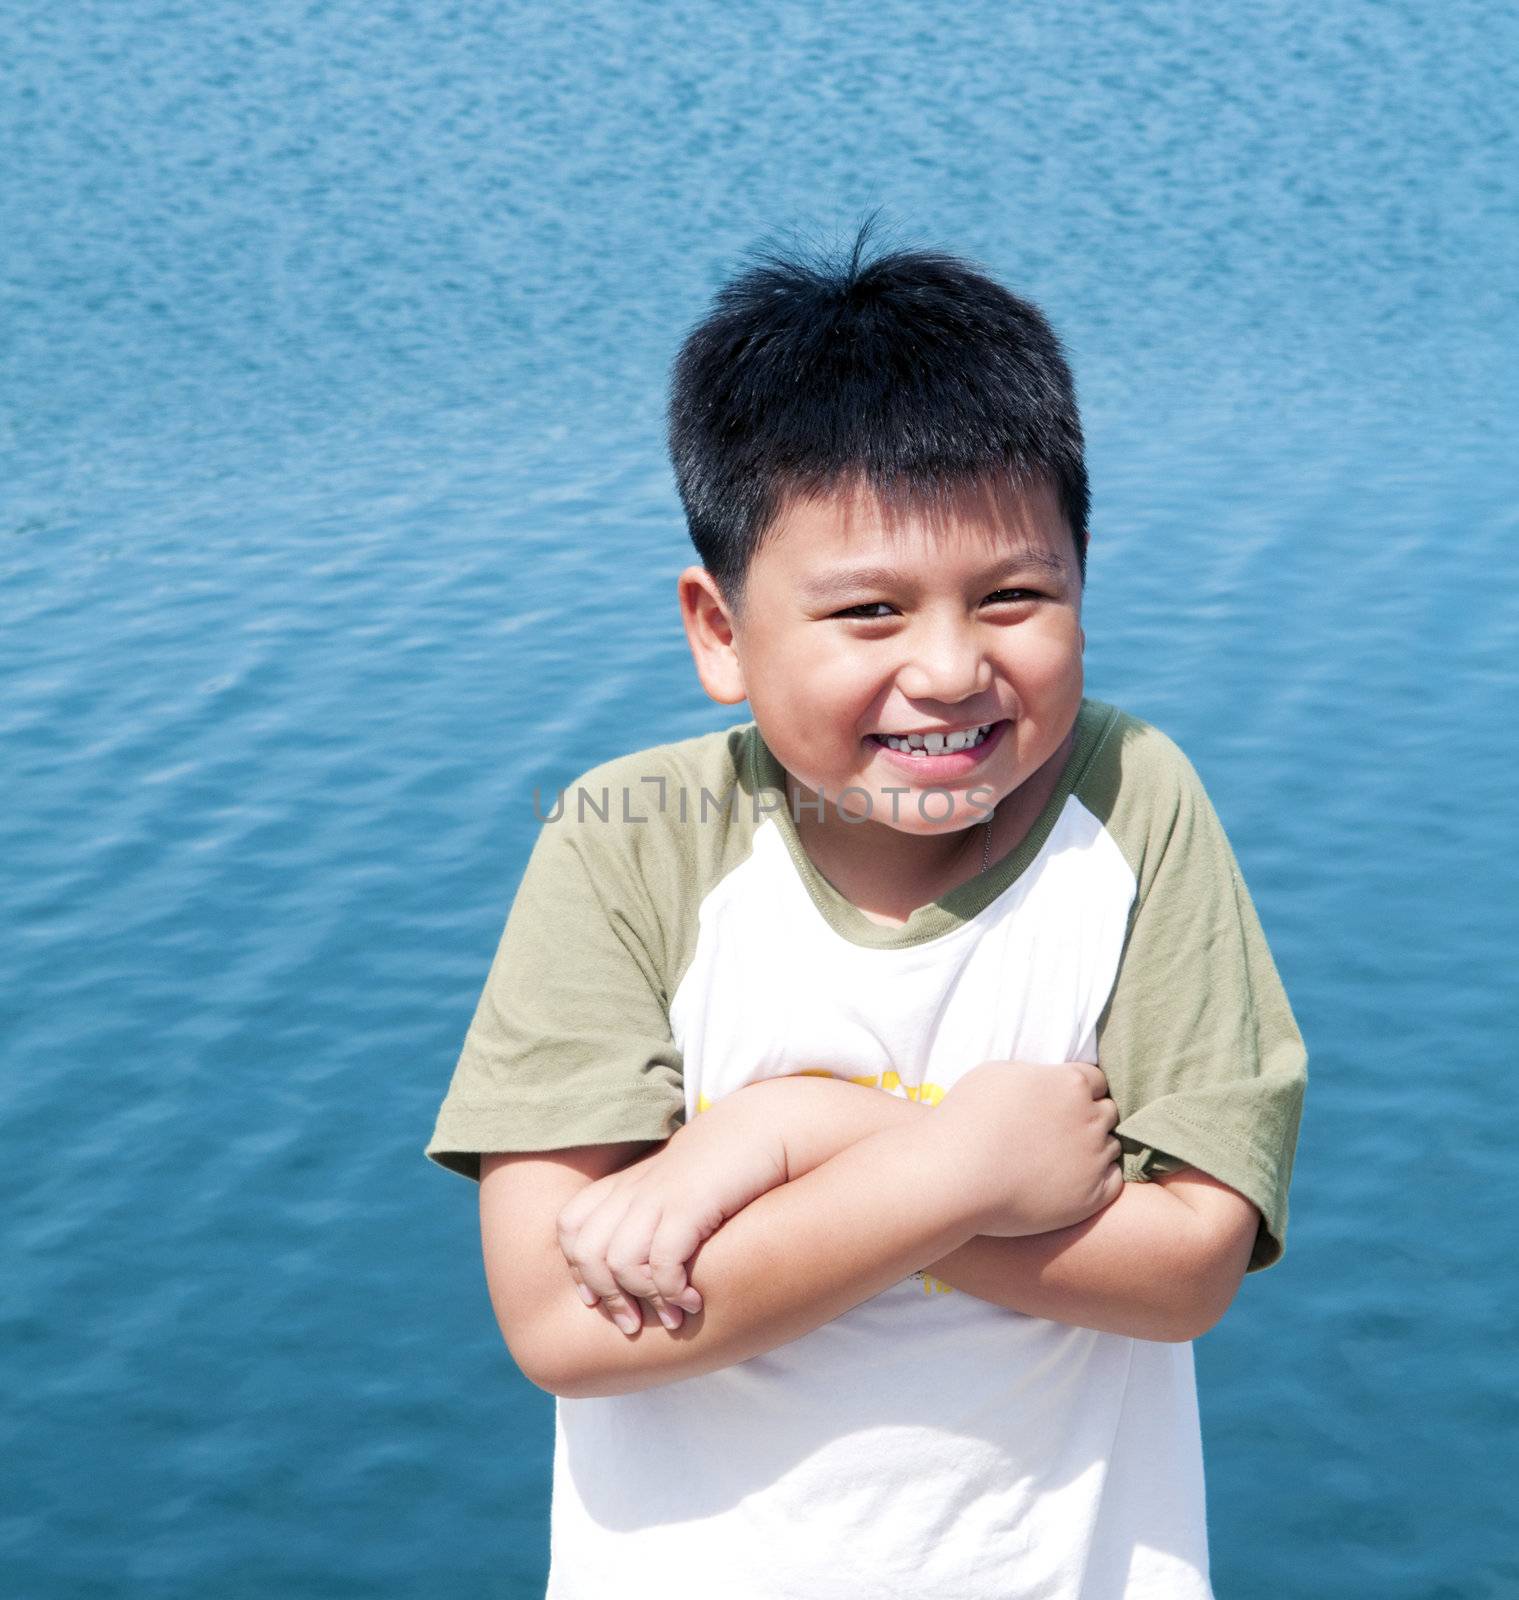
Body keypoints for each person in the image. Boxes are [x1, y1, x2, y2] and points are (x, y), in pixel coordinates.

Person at [424, 221, 1308, 1600]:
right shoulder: (627, 844)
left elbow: (1189, 1268)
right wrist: (956, 1166)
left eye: (1017, 595)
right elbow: (560, 1321)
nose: (951, 668)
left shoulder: (1135, 802)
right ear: (719, 631)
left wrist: (795, 1136)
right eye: (869, 613)